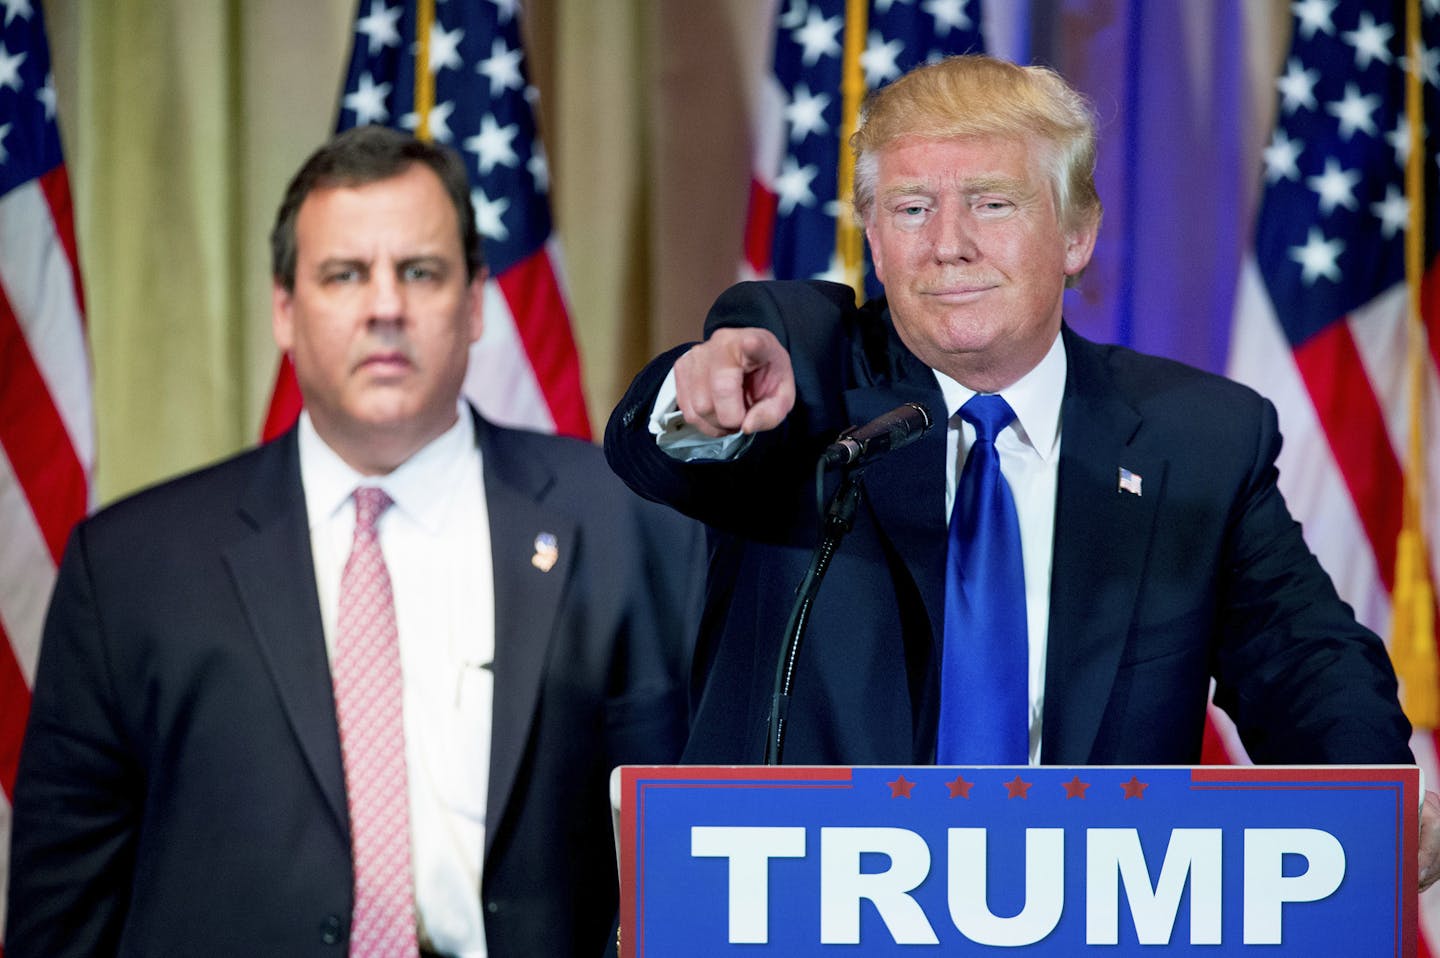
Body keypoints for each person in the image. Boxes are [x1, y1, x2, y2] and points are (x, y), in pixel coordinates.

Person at [604, 54, 1440, 887]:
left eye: (992, 204)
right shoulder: (805, 377)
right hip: (801, 910)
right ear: (876, 243)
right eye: (911, 208)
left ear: (1077, 235)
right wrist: (698, 398)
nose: (948, 246)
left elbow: (1304, 662)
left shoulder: (1199, 439)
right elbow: (657, 446)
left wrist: (1373, 808)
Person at [6, 125, 704, 957]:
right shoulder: (128, 568)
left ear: (476, 301)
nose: (385, 306)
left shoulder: (634, 524)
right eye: (344, 274)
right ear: (284, 309)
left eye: (420, 271)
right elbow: (63, 922)